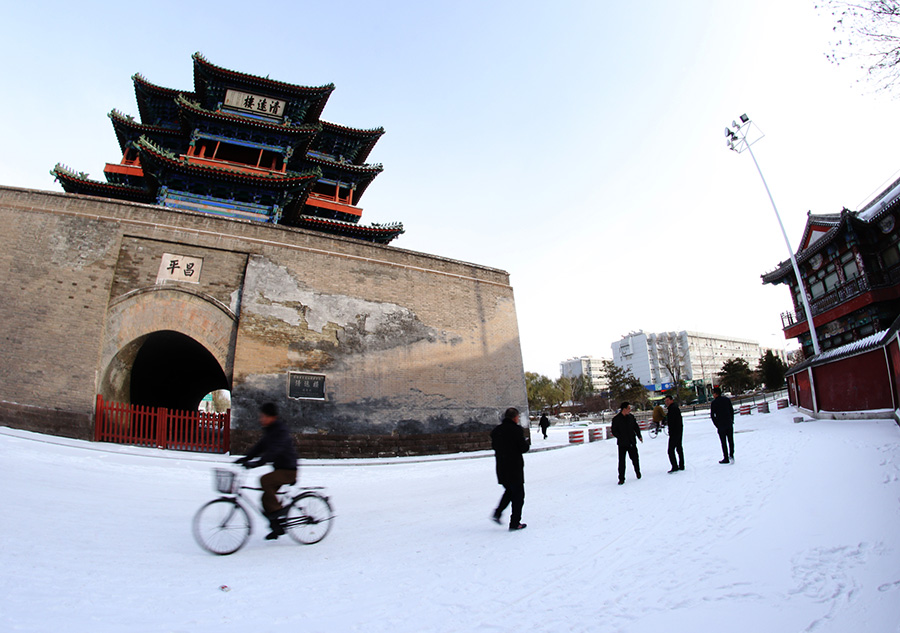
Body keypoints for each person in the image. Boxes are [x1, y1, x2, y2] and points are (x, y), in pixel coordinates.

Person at [235, 402, 299, 540]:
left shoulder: (280, 430)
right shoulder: (270, 431)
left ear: (272, 417)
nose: (261, 419)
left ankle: (278, 512)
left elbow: (275, 450)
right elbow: (260, 446)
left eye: (263, 416)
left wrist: (259, 462)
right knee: (265, 499)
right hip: (280, 469)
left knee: (265, 480)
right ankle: (277, 528)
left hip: (288, 470)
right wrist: (246, 458)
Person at [490, 407, 530, 531]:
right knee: (518, 495)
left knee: (509, 491)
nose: (518, 419)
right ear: (514, 417)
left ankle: (497, 513)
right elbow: (523, 448)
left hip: (501, 467)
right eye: (518, 417)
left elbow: (495, 446)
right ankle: (515, 523)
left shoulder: (496, 431)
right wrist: (525, 442)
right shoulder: (516, 430)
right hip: (514, 467)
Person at [611, 402, 642, 485]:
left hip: (631, 442)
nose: (630, 410)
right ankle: (621, 478)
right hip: (622, 443)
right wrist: (621, 437)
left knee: (635, 458)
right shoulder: (616, 419)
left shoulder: (631, 417)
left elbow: (636, 427)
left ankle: (638, 472)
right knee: (622, 461)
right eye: (628, 408)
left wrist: (639, 436)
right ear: (624, 409)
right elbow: (614, 431)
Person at [710, 387, 735, 464]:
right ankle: (731, 454)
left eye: (713, 393)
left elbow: (712, 415)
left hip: (721, 424)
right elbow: (731, 410)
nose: (713, 395)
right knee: (730, 440)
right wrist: (731, 420)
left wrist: (716, 424)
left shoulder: (714, 403)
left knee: (723, 442)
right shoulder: (727, 400)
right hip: (728, 422)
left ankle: (726, 457)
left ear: (716, 394)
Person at [665, 395, 684, 473]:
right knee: (679, 448)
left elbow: (672, 421)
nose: (666, 402)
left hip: (675, 432)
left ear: (671, 400)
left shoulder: (672, 409)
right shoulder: (674, 408)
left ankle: (675, 466)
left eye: (668, 400)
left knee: (671, 450)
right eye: (666, 401)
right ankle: (681, 465)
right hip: (678, 430)